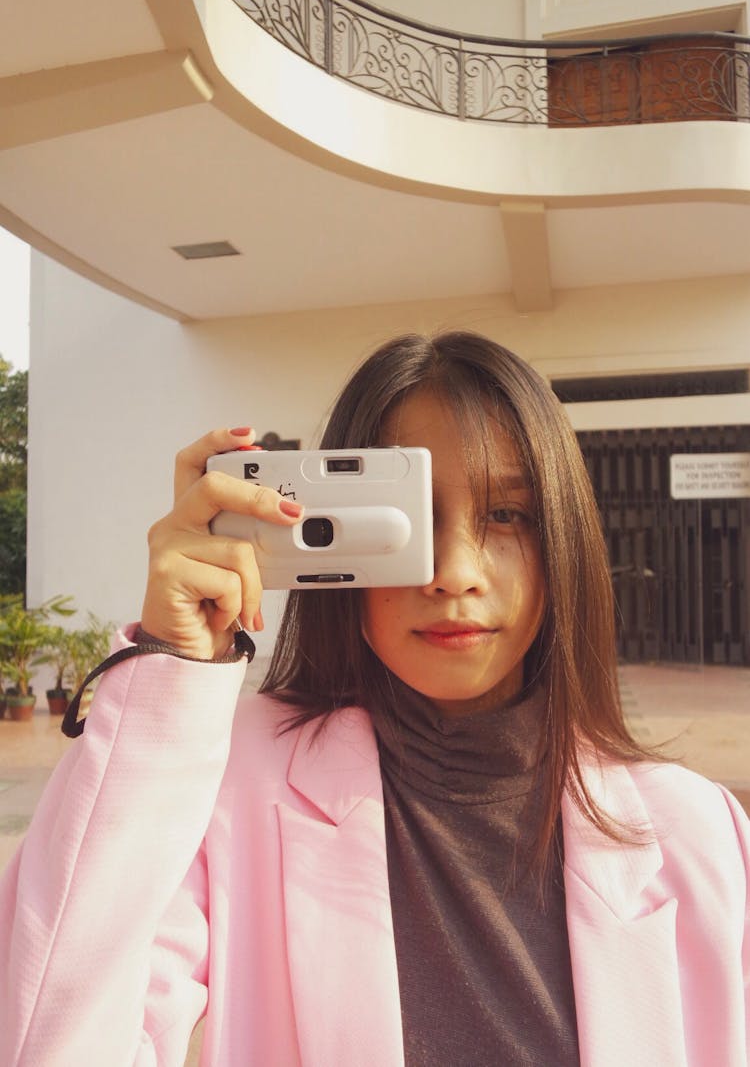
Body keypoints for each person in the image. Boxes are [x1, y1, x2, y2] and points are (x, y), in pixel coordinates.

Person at [1, 330, 748, 1067]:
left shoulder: (702, 834)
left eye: (507, 515)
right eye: (413, 516)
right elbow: (48, 1044)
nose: (454, 571)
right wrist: (171, 667)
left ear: (563, 538)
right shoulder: (224, 791)